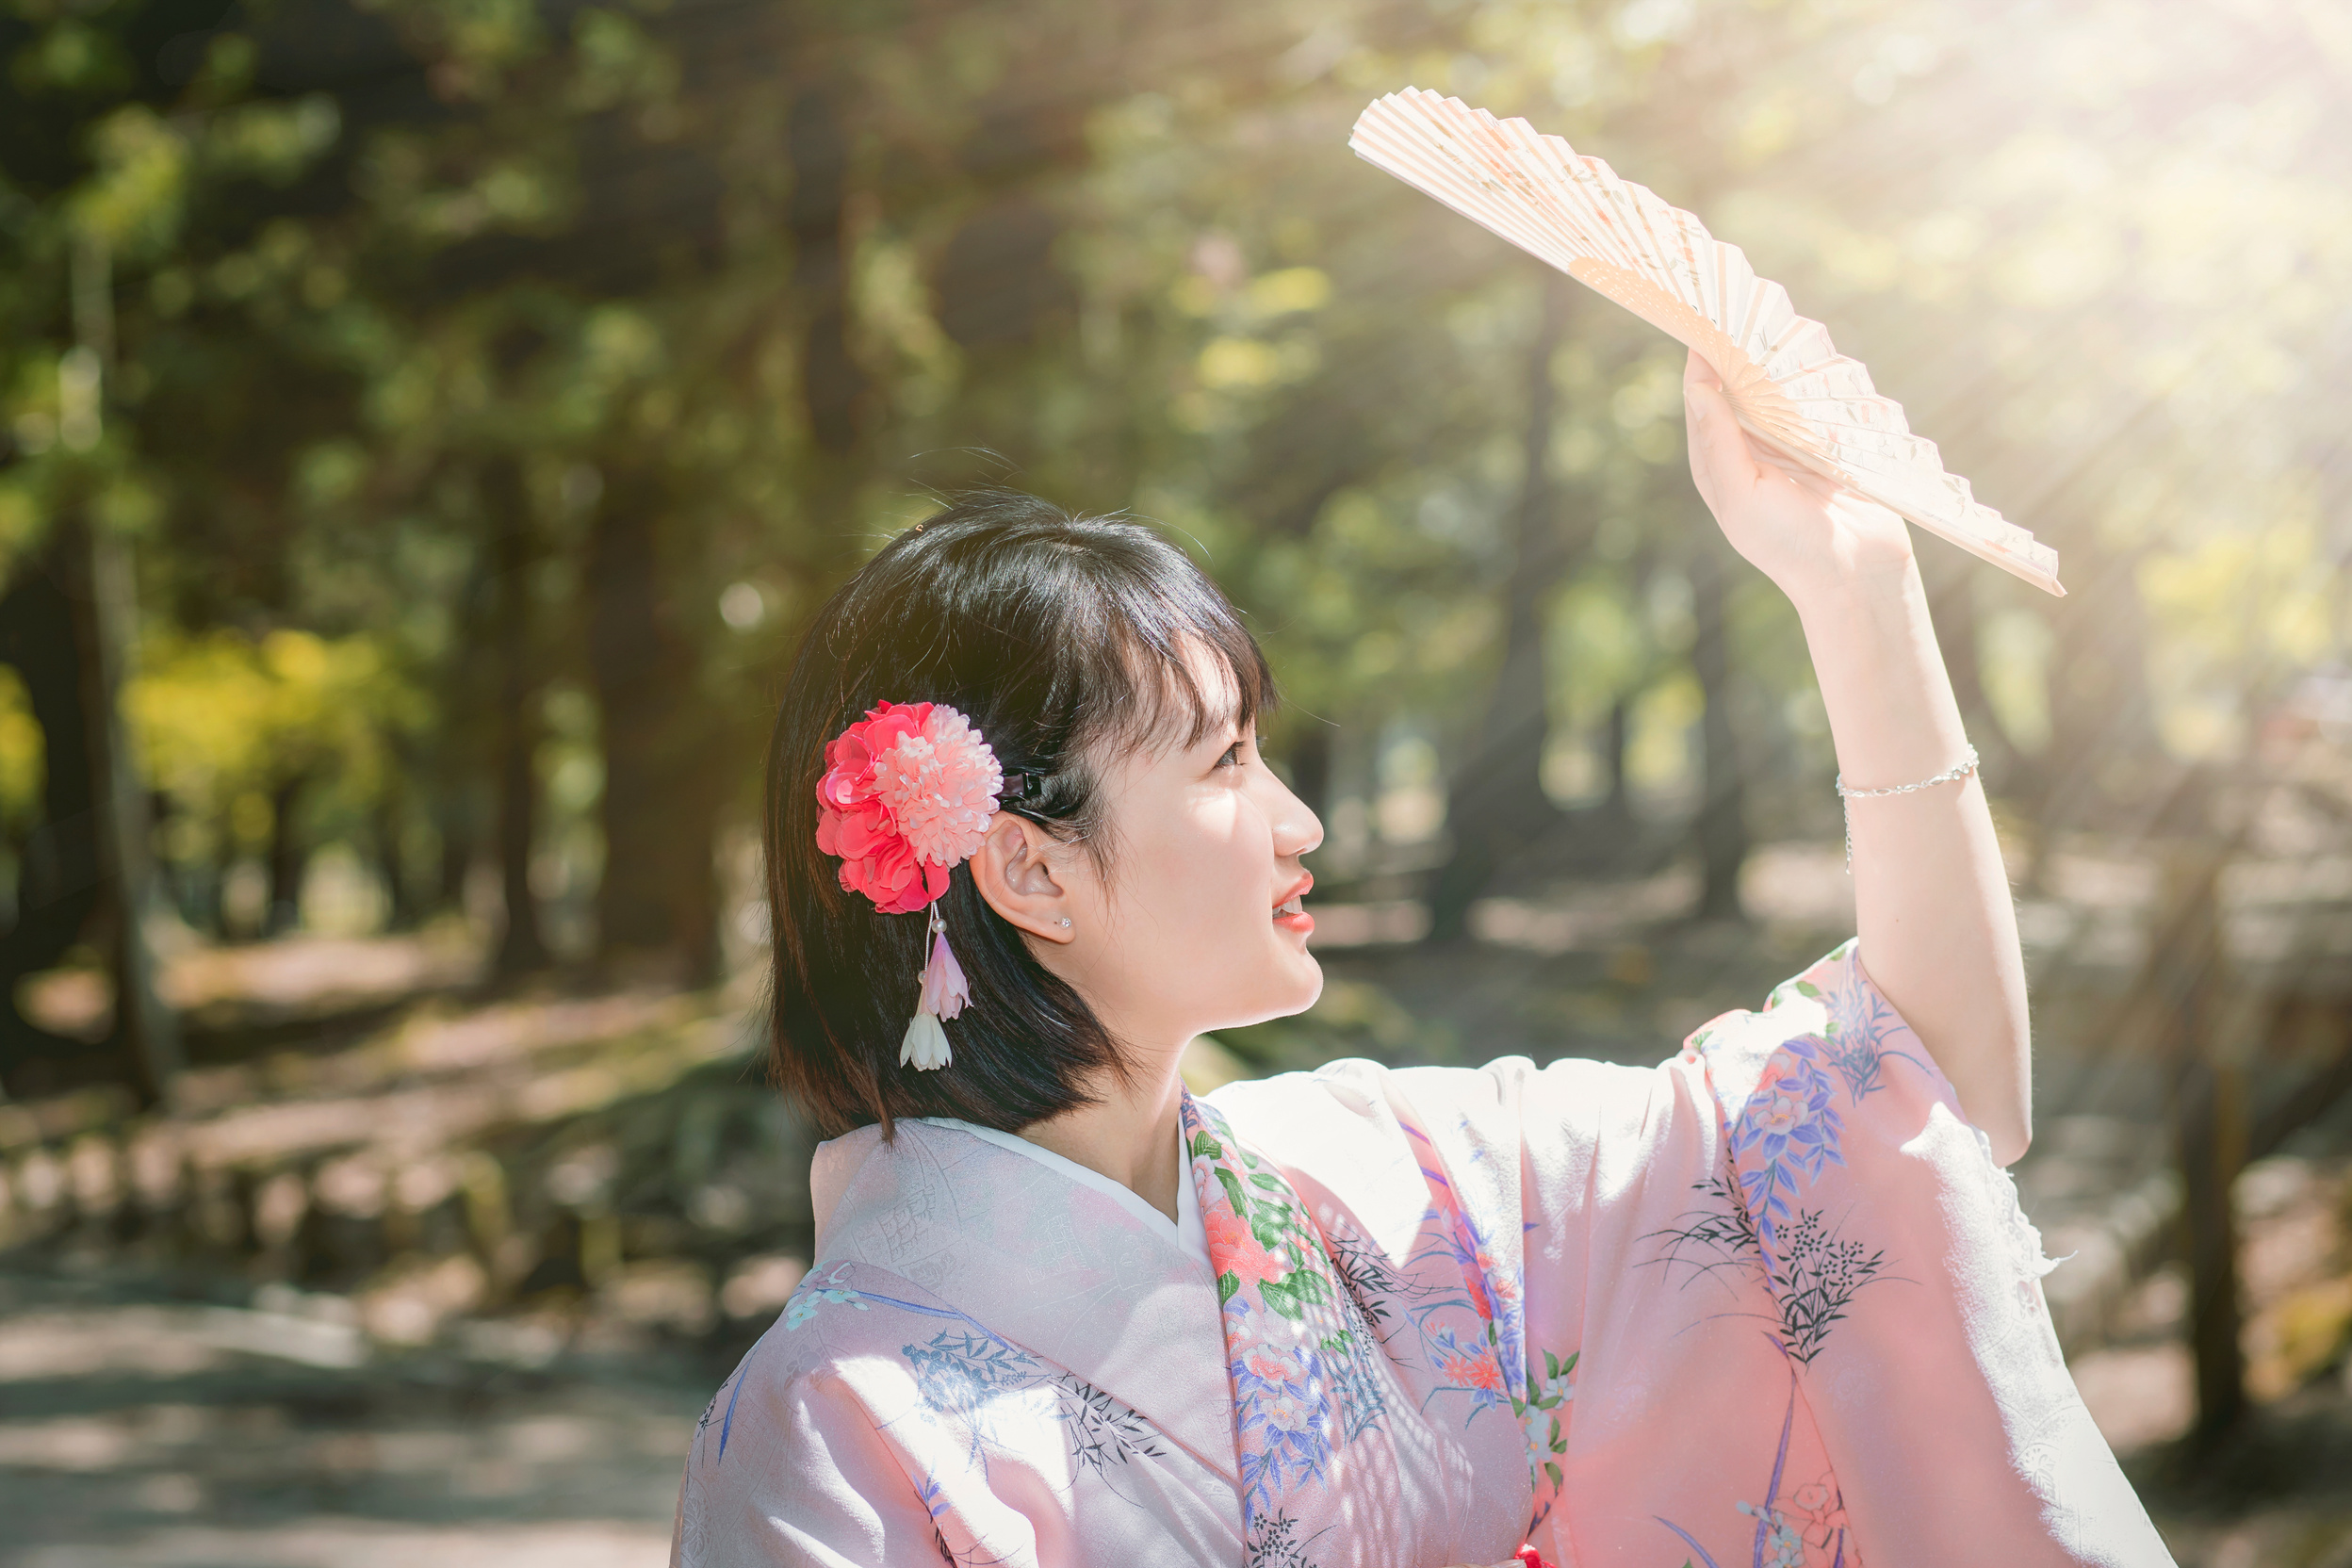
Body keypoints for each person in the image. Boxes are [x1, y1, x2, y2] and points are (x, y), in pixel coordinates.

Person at [670, 351, 2173, 1567]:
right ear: (1029, 869)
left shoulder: (1392, 1186)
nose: (1299, 819)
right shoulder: (834, 1431)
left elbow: (1912, 1091)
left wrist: (1862, 597)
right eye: (1227, 762)